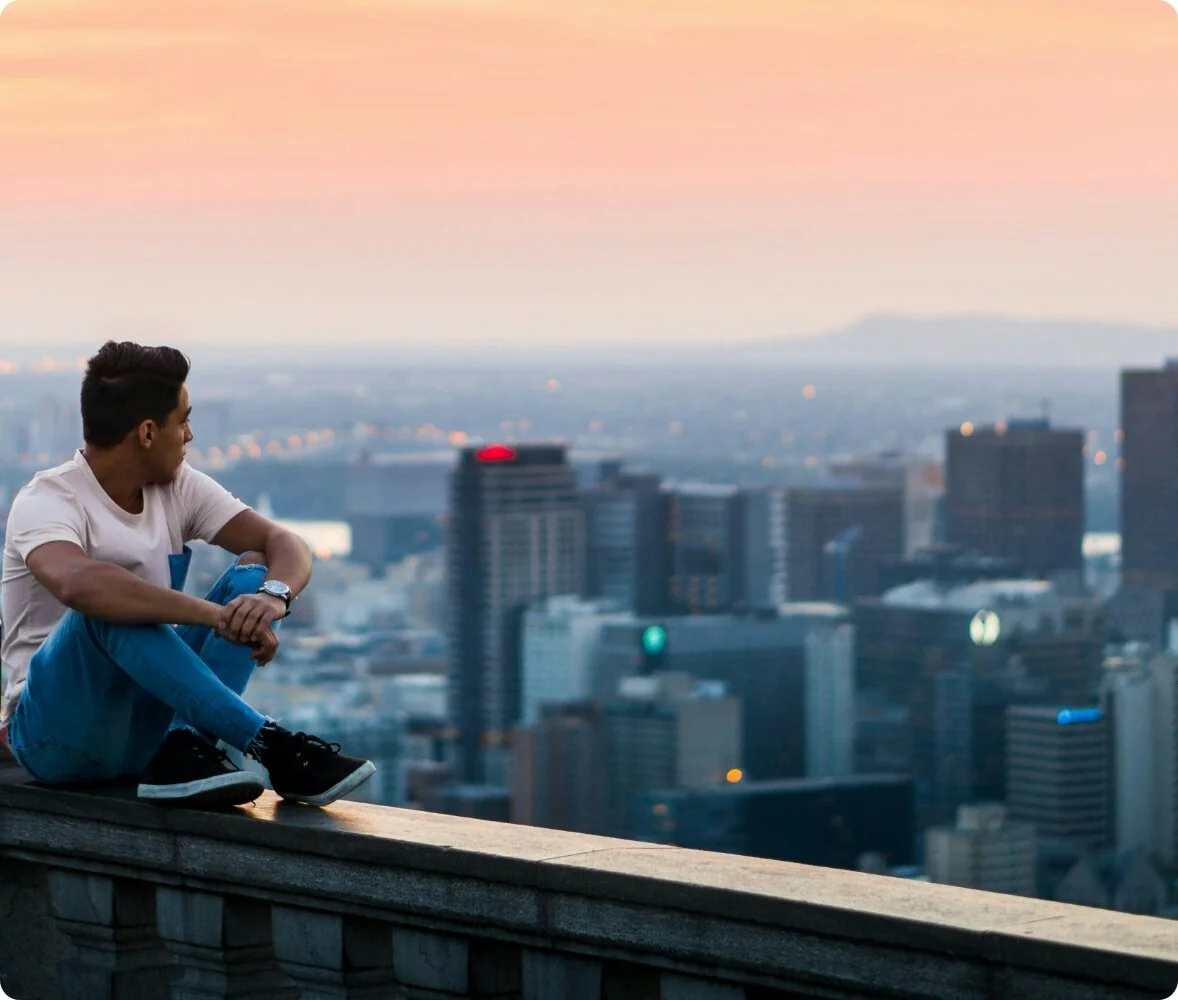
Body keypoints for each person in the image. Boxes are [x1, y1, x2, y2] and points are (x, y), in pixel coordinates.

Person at [0, 341, 375, 809]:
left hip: (148, 734)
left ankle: (185, 746)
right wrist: (215, 617)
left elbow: (287, 544)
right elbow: (79, 585)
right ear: (148, 432)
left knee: (253, 573)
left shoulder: (178, 487)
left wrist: (272, 597)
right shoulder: (48, 500)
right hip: (57, 739)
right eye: (184, 420)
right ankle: (267, 743)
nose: (191, 435)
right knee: (104, 605)